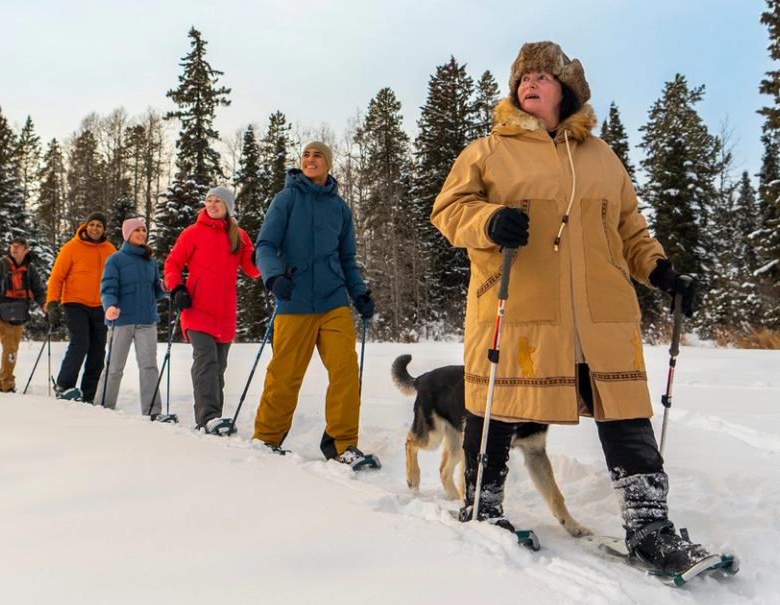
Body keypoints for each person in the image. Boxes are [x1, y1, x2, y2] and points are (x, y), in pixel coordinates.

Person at [431, 40, 724, 572]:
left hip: (600, 311)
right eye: (523, 76)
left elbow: (630, 228)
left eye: (543, 75)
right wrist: (489, 220)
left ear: (566, 89)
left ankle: (649, 526)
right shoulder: (488, 151)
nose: (530, 82)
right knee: (499, 403)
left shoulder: (602, 156)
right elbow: (449, 210)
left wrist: (660, 270)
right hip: (518, 301)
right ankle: (483, 505)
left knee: (625, 410)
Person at [251, 140, 377, 463]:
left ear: (328, 163)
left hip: (333, 301)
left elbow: (347, 258)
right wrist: (274, 277)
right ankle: (266, 439)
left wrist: (359, 292)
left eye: (317, 155)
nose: (310, 159)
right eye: (306, 155)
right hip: (293, 300)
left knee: (346, 370)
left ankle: (342, 445)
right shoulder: (286, 199)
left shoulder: (340, 209)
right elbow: (264, 245)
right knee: (285, 374)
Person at [163, 185, 260, 431]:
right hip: (196, 308)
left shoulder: (239, 235)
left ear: (228, 207)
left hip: (225, 313)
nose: (213, 204)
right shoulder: (192, 233)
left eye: (218, 201)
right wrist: (177, 289)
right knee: (206, 361)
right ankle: (208, 418)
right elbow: (172, 263)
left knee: (219, 368)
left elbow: (252, 269)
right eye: (209, 200)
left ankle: (213, 419)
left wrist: (266, 257)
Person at [98, 216, 166, 417]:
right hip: (122, 320)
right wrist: (109, 306)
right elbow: (108, 287)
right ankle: (102, 406)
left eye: (144, 230)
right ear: (127, 234)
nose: (142, 234)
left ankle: (153, 411)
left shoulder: (150, 261)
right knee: (114, 367)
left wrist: (164, 287)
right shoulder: (115, 259)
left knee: (149, 366)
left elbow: (155, 289)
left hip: (147, 321)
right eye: (137, 230)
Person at [44, 213, 116, 401]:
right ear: (85, 226)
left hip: (101, 305)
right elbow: (57, 277)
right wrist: (52, 303)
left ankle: (89, 391)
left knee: (98, 348)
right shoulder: (71, 247)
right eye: (91, 224)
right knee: (80, 342)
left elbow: (117, 278)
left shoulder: (110, 249)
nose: (95, 228)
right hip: (74, 302)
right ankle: (64, 385)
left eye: (99, 225)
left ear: (104, 229)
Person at [0, 233, 45, 394]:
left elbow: (38, 290)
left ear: (26, 250)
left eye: (19, 245)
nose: (14, 248)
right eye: (12, 245)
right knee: (10, 348)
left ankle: (2, 384)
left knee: (13, 348)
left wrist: (45, 304)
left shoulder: (29, 269)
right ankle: (7, 385)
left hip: (18, 315)